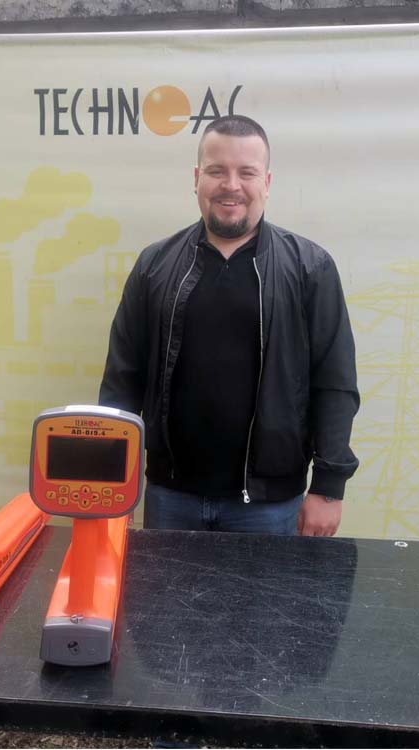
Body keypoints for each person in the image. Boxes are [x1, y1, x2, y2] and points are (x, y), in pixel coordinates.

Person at [99, 115, 359, 537]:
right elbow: (122, 380)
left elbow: (335, 382)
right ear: (197, 179)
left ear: (267, 182)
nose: (231, 185)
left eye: (247, 173)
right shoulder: (154, 265)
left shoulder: (310, 268)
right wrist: (112, 481)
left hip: (269, 506)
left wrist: (329, 488)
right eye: (217, 171)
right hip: (170, 496)